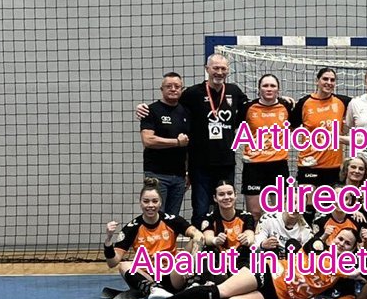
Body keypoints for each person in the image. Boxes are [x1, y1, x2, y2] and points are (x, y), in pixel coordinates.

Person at [136, 54, 248, 228]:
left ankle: (223, 241)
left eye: (223, 68)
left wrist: (283, 102)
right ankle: (203, 243)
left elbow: (253, 108)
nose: (219, 72)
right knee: (201, 209)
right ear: (207, 69)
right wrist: (143, 108)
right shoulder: (193, 93)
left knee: (225, 206)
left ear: (228, 70)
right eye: (215, 68)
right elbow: (169, 104)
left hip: (226, 163)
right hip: (200, 164)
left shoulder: (234, 91)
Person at [144, 228, 362, 299]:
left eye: (348, 243)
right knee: (220, 291)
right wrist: (349, 270)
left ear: (352, 249)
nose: (342, 244)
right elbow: (321, 258)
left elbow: (351, 296)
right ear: (334, 238)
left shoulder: (344, 273)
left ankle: (197, 296)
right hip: (267, 273)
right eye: (340, 239)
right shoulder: (319, 247)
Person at [102, 177, 204, 299]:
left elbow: (198, 235)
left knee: (196, 241)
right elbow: (112, 263)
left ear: (160, 203)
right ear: (140, 203)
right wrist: (108, 240)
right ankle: (155, 290)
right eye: (146, 201)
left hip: (172, 275)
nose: (150, 205)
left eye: (155, 201)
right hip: (148, 277)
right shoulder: (132, 228)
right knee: (124, 266)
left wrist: (191, 262)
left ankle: (192, 286)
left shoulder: (172, 220)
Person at [290, 68, 351, 191]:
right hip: (309, 165)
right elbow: (290, 127)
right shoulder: (305, 103)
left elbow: (366, 102)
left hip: (334, 166)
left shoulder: (343, 102)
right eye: (325, 79)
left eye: (332, 80)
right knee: (307, 202)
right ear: (317, 81)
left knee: (333, 202)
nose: (329, 82)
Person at [240, 74, 291, 220]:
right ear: (259, 89)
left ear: (278, 90)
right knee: (254, 213)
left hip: (278, 166)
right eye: (265, 85)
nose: (269, 89)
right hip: (254, 167)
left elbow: (294, 128)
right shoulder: (248, 107)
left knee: (280, 213)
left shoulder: (286, 106)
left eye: (272, 86)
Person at [139, 72, 190, 216]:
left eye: (177, 86)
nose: (173, 89)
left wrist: (188, 172)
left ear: (181, 89)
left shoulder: (186, 112)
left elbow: (188, 146)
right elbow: (148, 140)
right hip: (156, 174)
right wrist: (176, 142)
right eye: (169, 86)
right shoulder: (151, 110)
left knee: (172, 219)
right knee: (155, 216)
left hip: (179, 176)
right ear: (162, 89)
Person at [199, 181, 255, 279]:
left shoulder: (246, 216)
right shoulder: (209, 217)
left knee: (250, 252)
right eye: (221, 194)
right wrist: (215, 240)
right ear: (215, 198)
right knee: (207, 252)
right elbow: (207, 237)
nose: (226, 197)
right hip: (218, 256)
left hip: (239, 257)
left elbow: (250, 236)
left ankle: (241, 278)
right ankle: (207, 280)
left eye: (230, 193)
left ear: (235, 195)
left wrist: (247, 240)